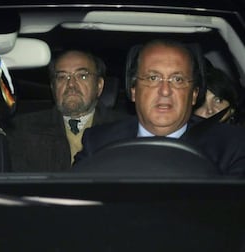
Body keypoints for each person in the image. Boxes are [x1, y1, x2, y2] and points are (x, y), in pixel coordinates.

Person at [75, 39, 245, 176]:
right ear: (133, 91)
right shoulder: (97, 142)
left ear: (194, 95)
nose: (165, 91)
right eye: (153, 78)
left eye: (178, 80)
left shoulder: (231, 145)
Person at [6, 50, 127, 172]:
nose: (71, 85)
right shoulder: (23, 129)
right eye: (62, 77)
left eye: (82, 76)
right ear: (53, 87)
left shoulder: (125, 130)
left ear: (99, 86)